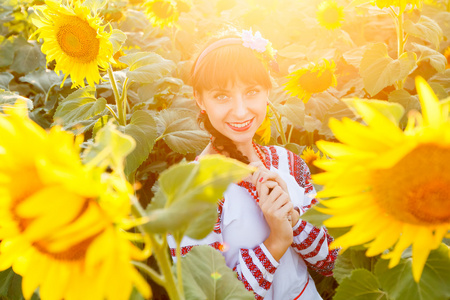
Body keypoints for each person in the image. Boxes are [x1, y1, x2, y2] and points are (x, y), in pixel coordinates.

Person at [167, 29, 338, 300]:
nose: (240, 110)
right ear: (200, 99)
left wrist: (292, 219)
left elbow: (332, 262)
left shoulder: (289, 163)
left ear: (267, 91)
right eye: (221, 96)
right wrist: (276, 242)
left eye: (252, 92)